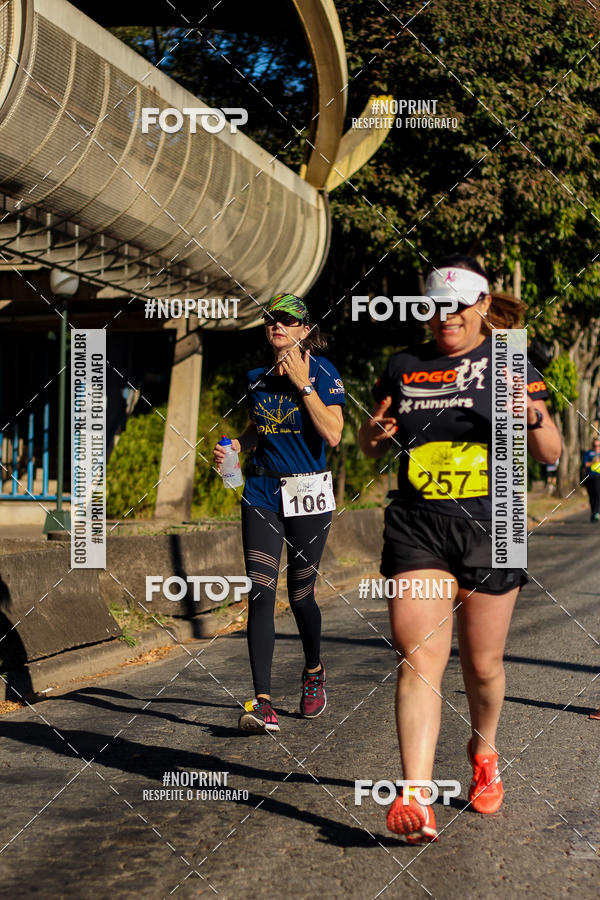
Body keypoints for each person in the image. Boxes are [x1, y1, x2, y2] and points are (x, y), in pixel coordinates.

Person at [358, 254, 561, 843]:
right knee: (419, 656)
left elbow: (550, 453)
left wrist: (528, 413)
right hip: (418, 524)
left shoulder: (510, 359)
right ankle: (416, 795)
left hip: (497, 523)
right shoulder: (405, 364)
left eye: (458, 305)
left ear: (481, 305)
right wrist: (375, 433)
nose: (446, 315)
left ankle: (484, 751)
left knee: (483, 665)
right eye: (435, 306)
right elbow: (369, 444)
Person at [213, 292, 345, 733]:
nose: (278, 325)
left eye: (288, 320)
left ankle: (313, 670)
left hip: (308, 490)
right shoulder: (256, 378)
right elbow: (260, 429)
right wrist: (236, 445)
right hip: (262, 491)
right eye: (272, 318)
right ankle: (263, 702)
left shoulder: (324, 373)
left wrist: (304, 384)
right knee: (260, 591)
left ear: (305, 329)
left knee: (301, 594)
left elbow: (333, 434)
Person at [582, 438, 600, 521]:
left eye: (598, 445)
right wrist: (593, 462)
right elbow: (584, 464)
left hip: (598, 477)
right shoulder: (589, 453)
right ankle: (593, 512)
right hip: (590, 477)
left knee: (598, 493)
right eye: (595, 445)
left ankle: (597, 512)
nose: (597, 447)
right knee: (591, 495)